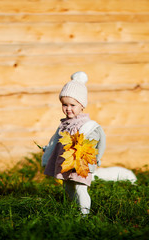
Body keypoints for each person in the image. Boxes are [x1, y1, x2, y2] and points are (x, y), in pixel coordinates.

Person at [41, 71, 106, 215]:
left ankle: (84, 214)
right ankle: (73, 208)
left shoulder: (88, 125)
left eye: (72, 105)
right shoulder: (64, 124)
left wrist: (96, 157)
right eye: (64, 105)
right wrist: (49, 150)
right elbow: (56, 140)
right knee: (68, 187)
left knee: (80, 188)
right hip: (65, 162)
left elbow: (100, 142)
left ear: (82, 105)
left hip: (79, 164)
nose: (68, 108)